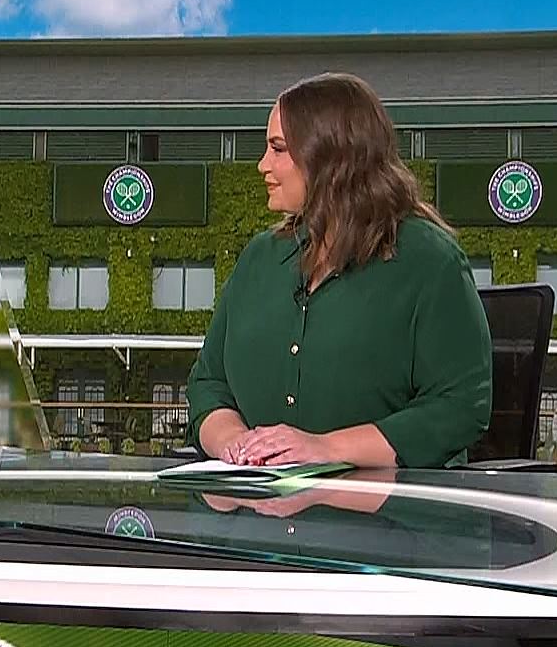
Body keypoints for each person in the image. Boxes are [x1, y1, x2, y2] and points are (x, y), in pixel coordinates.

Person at [188, 72, 491, 469]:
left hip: (391, 503)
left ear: (330, 157)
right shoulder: (259, 259)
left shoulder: (430, 261)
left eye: (278, 149)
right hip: (255, 500)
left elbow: (460, 405)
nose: (263, 165)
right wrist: (236, 445)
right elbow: (208, 383)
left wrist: (327, 448)